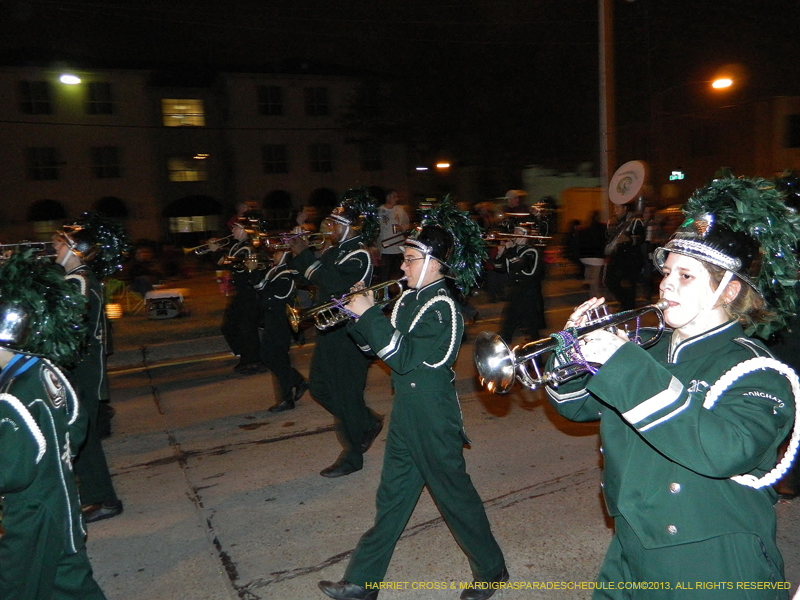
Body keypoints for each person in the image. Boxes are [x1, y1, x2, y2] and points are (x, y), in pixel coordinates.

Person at [546, 176, 799, 598]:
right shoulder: (651, 349)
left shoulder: (756, 369)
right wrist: (573, 353)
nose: (665, 284)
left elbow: (723, 452)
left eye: (686, 275)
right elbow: (575, 406)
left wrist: (623, 364)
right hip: (632, 543)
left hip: (712, 559)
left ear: (728, 290)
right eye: (666, 272)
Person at [319, 198, 506, 600]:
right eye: (403, 259)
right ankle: (362, 582)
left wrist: (369, 315)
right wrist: (354, 317)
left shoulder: (445, 309)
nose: (401, 266)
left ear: (435, 263)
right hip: (406, 411)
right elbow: (378, 350)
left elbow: (405, 358)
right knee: (392, 497)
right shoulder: (408, 299)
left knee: (454, 497)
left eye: (408, 259)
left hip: (433, 416)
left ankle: (491, 571)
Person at [0, 250, 107, 599]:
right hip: (62, 504)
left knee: (18, 589)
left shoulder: (11, 398)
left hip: (29, 518)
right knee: (72, 584)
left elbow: (11, 473)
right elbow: (76, 423)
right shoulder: (44, 367)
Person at [288, 188, 383, 478]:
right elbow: (307, 279)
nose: (328, 228)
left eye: (334, 224)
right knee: (319, 388)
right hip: (328, 331)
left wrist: (306, 254)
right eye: (329, 223)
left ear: (350, 227)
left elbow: (331, 283)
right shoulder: (333, 251)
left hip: (349, 336)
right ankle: (367, 421)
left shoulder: (360, 256)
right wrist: (294, 253)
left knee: (345, 396)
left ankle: (352, 456)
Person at [54, 215, 126, 523]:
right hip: (79, 370)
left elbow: (67, 326)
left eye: (58, 245)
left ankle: (104, 499)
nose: (54, 251)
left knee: (83, 439)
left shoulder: (79, 281)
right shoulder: (77, 279)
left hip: (82, 371)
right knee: (82, 438)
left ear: (74, 249)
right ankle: (98, 495)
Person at [254, 249, 309, 413]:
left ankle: (287, 398)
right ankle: (297, 382)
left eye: (277, 253)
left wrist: (254, 271)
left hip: (281, 322)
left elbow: (269, 295)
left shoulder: (286, 275)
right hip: (272, 320)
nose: (274, 255)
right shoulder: (274, 271)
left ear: (285, 256)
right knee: (270, 357)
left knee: (276, 359)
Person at [219, 210, 268, 375]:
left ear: (245, 231)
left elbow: (240, 266)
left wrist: (222, 257)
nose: (232, 230)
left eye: (236, 227)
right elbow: (227, 263)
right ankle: (247, 355)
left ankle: (252, 360)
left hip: (250, 292)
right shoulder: (236, 246)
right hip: (240, 291)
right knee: (229, 326)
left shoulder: (249, 248)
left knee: (247, 328)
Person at [493, 226, 545, 344]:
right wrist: (500, 254)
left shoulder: (532, 252)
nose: (514, 234)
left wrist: (509, 252)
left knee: (531, 326)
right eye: (514, 231)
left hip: (529, 293)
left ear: (526, 236)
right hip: (515, 291)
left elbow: (527, 270)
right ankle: (504, 345)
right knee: (509, 320)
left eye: (518, 232)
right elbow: (500, 268)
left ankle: (536, 354)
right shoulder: (513, 251)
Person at [604, 200, 646, 310]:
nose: (615, 210)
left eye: (617, 207)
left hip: (632, 258)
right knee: (609, 281)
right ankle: (625, 303)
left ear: (625, 208)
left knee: (630, 285)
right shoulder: (614, 222)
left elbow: (641, 238)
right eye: (614, 208)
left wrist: (628, 239)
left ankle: (628, 307)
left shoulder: (635, 221)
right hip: (617, 257)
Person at [375, 189, 410, 283]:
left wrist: (402, 228)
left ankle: (399, 293)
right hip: (385, 249)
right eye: (394, 196)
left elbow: (407, 224)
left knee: (400, 274)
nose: (397, 199)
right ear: (388, 197)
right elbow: (374, 229)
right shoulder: (379, 211)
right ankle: (386, 295)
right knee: (385, 275)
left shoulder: (400, 210)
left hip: (398, 247)